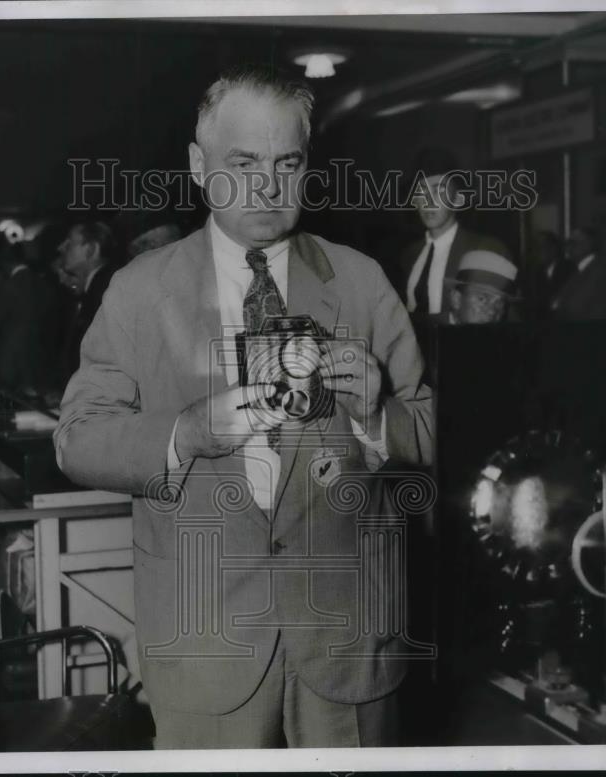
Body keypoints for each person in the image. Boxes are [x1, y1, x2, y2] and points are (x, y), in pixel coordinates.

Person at [54, 65, 432, 749]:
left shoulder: (361, 281)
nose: (267, 186)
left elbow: (430, 431)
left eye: (287, 163)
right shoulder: (140, 293)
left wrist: (378, 414)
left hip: (348, 643)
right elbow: (76, 437)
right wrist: (185, 431)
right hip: (205, 650)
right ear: (199, 166)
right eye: (243, 162)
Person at [400, 147, 510, 328]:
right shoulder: (408, 256)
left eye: (438, 191)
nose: (428, 201)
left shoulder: (486, 250)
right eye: (421, 192)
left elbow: (490, 319)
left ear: (458, 199)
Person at [0, 242, 51, 396]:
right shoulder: (45, 285)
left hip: (11, 370)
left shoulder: (8, 287)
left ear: (4, 263)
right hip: (41, 368)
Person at [57, 221, 118, 382]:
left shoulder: (106, 289)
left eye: (70, 243)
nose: (61, 248)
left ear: (91, 249)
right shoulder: (96, 286)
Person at [549, 226, 606, 320]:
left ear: (588, 245)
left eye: (572, 243)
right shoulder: (580, 270)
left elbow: (574, 307)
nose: (567, 247)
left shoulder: (599, 272)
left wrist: (558, 305)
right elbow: (555, 301)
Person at [435, 250, 519, 326]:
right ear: (456, 299)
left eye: (499, 303)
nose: (492, 312)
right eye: (482, 299)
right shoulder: (427, 332)